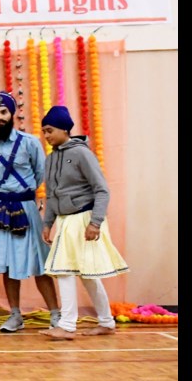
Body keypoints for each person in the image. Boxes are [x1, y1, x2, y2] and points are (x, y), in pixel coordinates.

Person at [39, 106, 129, 340]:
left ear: (65, 130)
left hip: (83, 219)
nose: (46, 136)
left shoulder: (81, 154)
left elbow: (102, 190)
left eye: (49, 130)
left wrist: (95, 222)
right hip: (64, 221)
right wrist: (47, 224)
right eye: (44, 132)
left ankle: (67, 326)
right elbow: (50, 196)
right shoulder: (50, 159)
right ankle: (107, 322)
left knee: (65, 271)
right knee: (86, 274)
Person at [0, 91, 61, 333]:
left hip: (26, 207)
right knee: (6, 264)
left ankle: (55, 313)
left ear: (12, 114)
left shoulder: (31, 143)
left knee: (39, 262)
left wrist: (23, 194)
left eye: (4, 112)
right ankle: (14, 315)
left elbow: (39, 173)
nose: (0, 117)